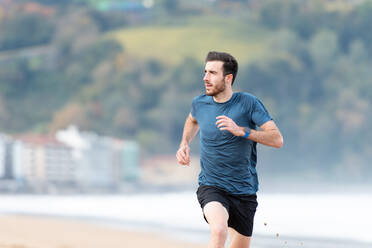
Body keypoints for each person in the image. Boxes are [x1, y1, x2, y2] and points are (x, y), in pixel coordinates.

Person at [176, 51, 283, 248]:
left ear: (228, 78)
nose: (205, 78)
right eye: (205, 72)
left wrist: (241, 130)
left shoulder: (248, 103)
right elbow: (192, 120)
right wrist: (184, 144)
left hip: (244, 193)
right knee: (218, 230)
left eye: (212, 73)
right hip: (212, 187)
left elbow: (277, 139)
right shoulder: (200, 103)